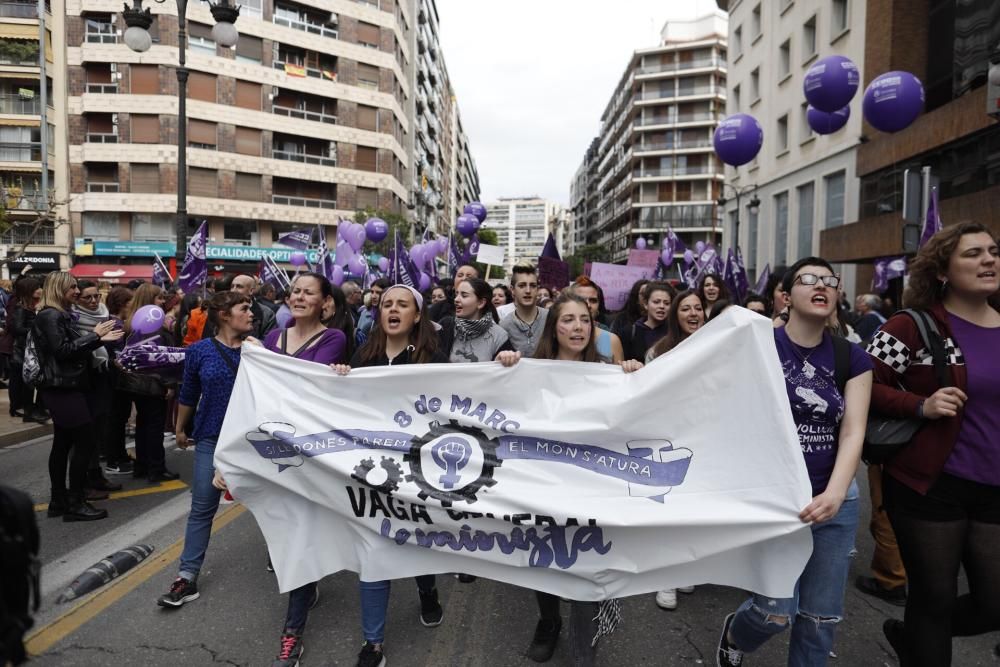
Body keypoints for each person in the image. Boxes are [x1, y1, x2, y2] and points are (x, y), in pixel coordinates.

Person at [717, 257, 872, 667]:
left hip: (834, 501)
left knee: (819, 620)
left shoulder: (851, 358)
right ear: (786, 295)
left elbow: (854, 430)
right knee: (774, 611)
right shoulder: (758, 345)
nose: (821, 285)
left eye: (829, 280)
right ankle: (736, 632)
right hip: (775, 497)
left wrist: (837, 493)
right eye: (808, 279)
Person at [868, 223, 1000, 666]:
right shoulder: (912, 325)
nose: (989, 259)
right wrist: (919, 405)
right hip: (930, 484)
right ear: (942, 270)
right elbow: (859, 383)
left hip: (995, 486)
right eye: (973, 253)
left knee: (994, 603)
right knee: (933, 600)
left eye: (993, 251)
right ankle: (923, 641)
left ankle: (915, 637)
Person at [495, 294, 642, 665]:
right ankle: (548, 621)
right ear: (553, 327)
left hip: (591, 488)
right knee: (544, 558)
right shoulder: (530, 369)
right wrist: (506, 365)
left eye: (585, 320)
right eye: (568, 320)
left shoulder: (608, 371)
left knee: (586, 570)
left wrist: (636, 377)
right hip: (544, 485)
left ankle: (582, 655)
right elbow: (504, 408)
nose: (578, 327)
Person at [216, 273, 344, 667]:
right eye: (296, 291)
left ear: (324, 302)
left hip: (310, 457)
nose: (300, 296)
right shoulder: (271, 340)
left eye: (309, 292)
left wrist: (266, 360)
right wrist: (230, 460)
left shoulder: (333, 339)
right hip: (273, 455)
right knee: (287, 536)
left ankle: (293, 634)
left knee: (299, 539)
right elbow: (251, 402)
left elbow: (303, 388)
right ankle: (309, 581)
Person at [331, 284, 448, 667]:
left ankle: (427, 589)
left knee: (416, 543)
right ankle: (373, 644)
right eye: (386, 304)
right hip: (373, 472)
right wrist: (339, 376)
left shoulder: (437, 359)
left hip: (419, 470)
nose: (393, 309)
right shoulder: (363, 357)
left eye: (403, 304)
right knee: (375, 550)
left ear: (417, 315)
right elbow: (340, 407)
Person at [157, 291, 256, 608]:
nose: (251, 314)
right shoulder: (199, 351)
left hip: (254, 442)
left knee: (277, 504)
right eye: (244, 308)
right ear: (225, 315)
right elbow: (189, 392)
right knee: (202, 508)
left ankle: (294, 575)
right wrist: (181, 427)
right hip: (212, 438)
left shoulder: (258, 351)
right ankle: (186, 576)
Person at [32, 272, 124, 521]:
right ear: (59, 289)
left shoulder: (57, 314)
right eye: (72, 287)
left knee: (62, 444)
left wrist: (97, 339)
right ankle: (75, 502)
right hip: (62, 388)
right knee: (84, 443)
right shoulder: (52, 315)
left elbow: (66, 350)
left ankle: (59, 501)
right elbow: (63, 351)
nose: (76, 291)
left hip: (64, 387)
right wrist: (95, 336)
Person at [112, 284, 180, 483]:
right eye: (159, 298)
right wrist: (169, 384)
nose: (163, 301)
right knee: (154, 427)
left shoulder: (132, 322)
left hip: (136, 383)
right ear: (150, 300)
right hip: (152, 383)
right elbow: (159, 358)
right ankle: (156, 469)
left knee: (143, 425)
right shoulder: (152, 324)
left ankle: (142, 466)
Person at [73, 281, 121, 498]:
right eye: (87, 298)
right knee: (84, 434)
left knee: (98, 430)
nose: (93, 301)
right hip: (82, 380)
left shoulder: (105, 315)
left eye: (96, 296)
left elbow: (111, 348)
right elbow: (72, 350)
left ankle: (95, 475)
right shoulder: (72, 319)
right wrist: (95, 338)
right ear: (76, 299)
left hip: (103, 377)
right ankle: (81, 484)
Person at [438, 277, 515, 363]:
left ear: (481, 303)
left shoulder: (499, 336)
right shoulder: (445, 327)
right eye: (456, 294)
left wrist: (500, 362)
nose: (456, 299)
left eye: (464, 295)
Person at [102, 286, 135, 474]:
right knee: (116, 419)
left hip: (117, 378)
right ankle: (114, 459)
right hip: (116, 379)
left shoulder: (117, 323)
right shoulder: (116, 325)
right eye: (130, 302)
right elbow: (117, 353)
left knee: (119, 419)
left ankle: (119, 454)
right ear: (122, 304)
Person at [8, 277, 44, 422]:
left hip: (29, 352)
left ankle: (28, 409)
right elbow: (16, 329)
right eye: (36, 288)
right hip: (22, 353)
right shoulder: (20, 308)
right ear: (28, 291)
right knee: (21, 383)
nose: (40, 290)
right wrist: (37, 329)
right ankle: (21, 409)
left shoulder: (32, 307)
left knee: (27, 384)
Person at [567, 276, 623, 362]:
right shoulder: (557, 337)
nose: (588, 305)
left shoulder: (610, 340)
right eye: (581, 299)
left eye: (593, 300)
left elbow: (619, 374)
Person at [499, 263, 548, 357]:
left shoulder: (550, 318)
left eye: (533, 285)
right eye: (522, 286)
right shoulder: (504, 326)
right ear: (512, 290)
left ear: (537, 289)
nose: (528, 291)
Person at [623, 282, 675, 362]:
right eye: (656, 302)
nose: (662, 306)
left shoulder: (674, 331)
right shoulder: (630, 332)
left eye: (666, 303)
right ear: (646, 304)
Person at [356, 278, 389, 344]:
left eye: (378, 293)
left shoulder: (392, 315)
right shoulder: (364, 313)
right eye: (372, 292)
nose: (373, 296)